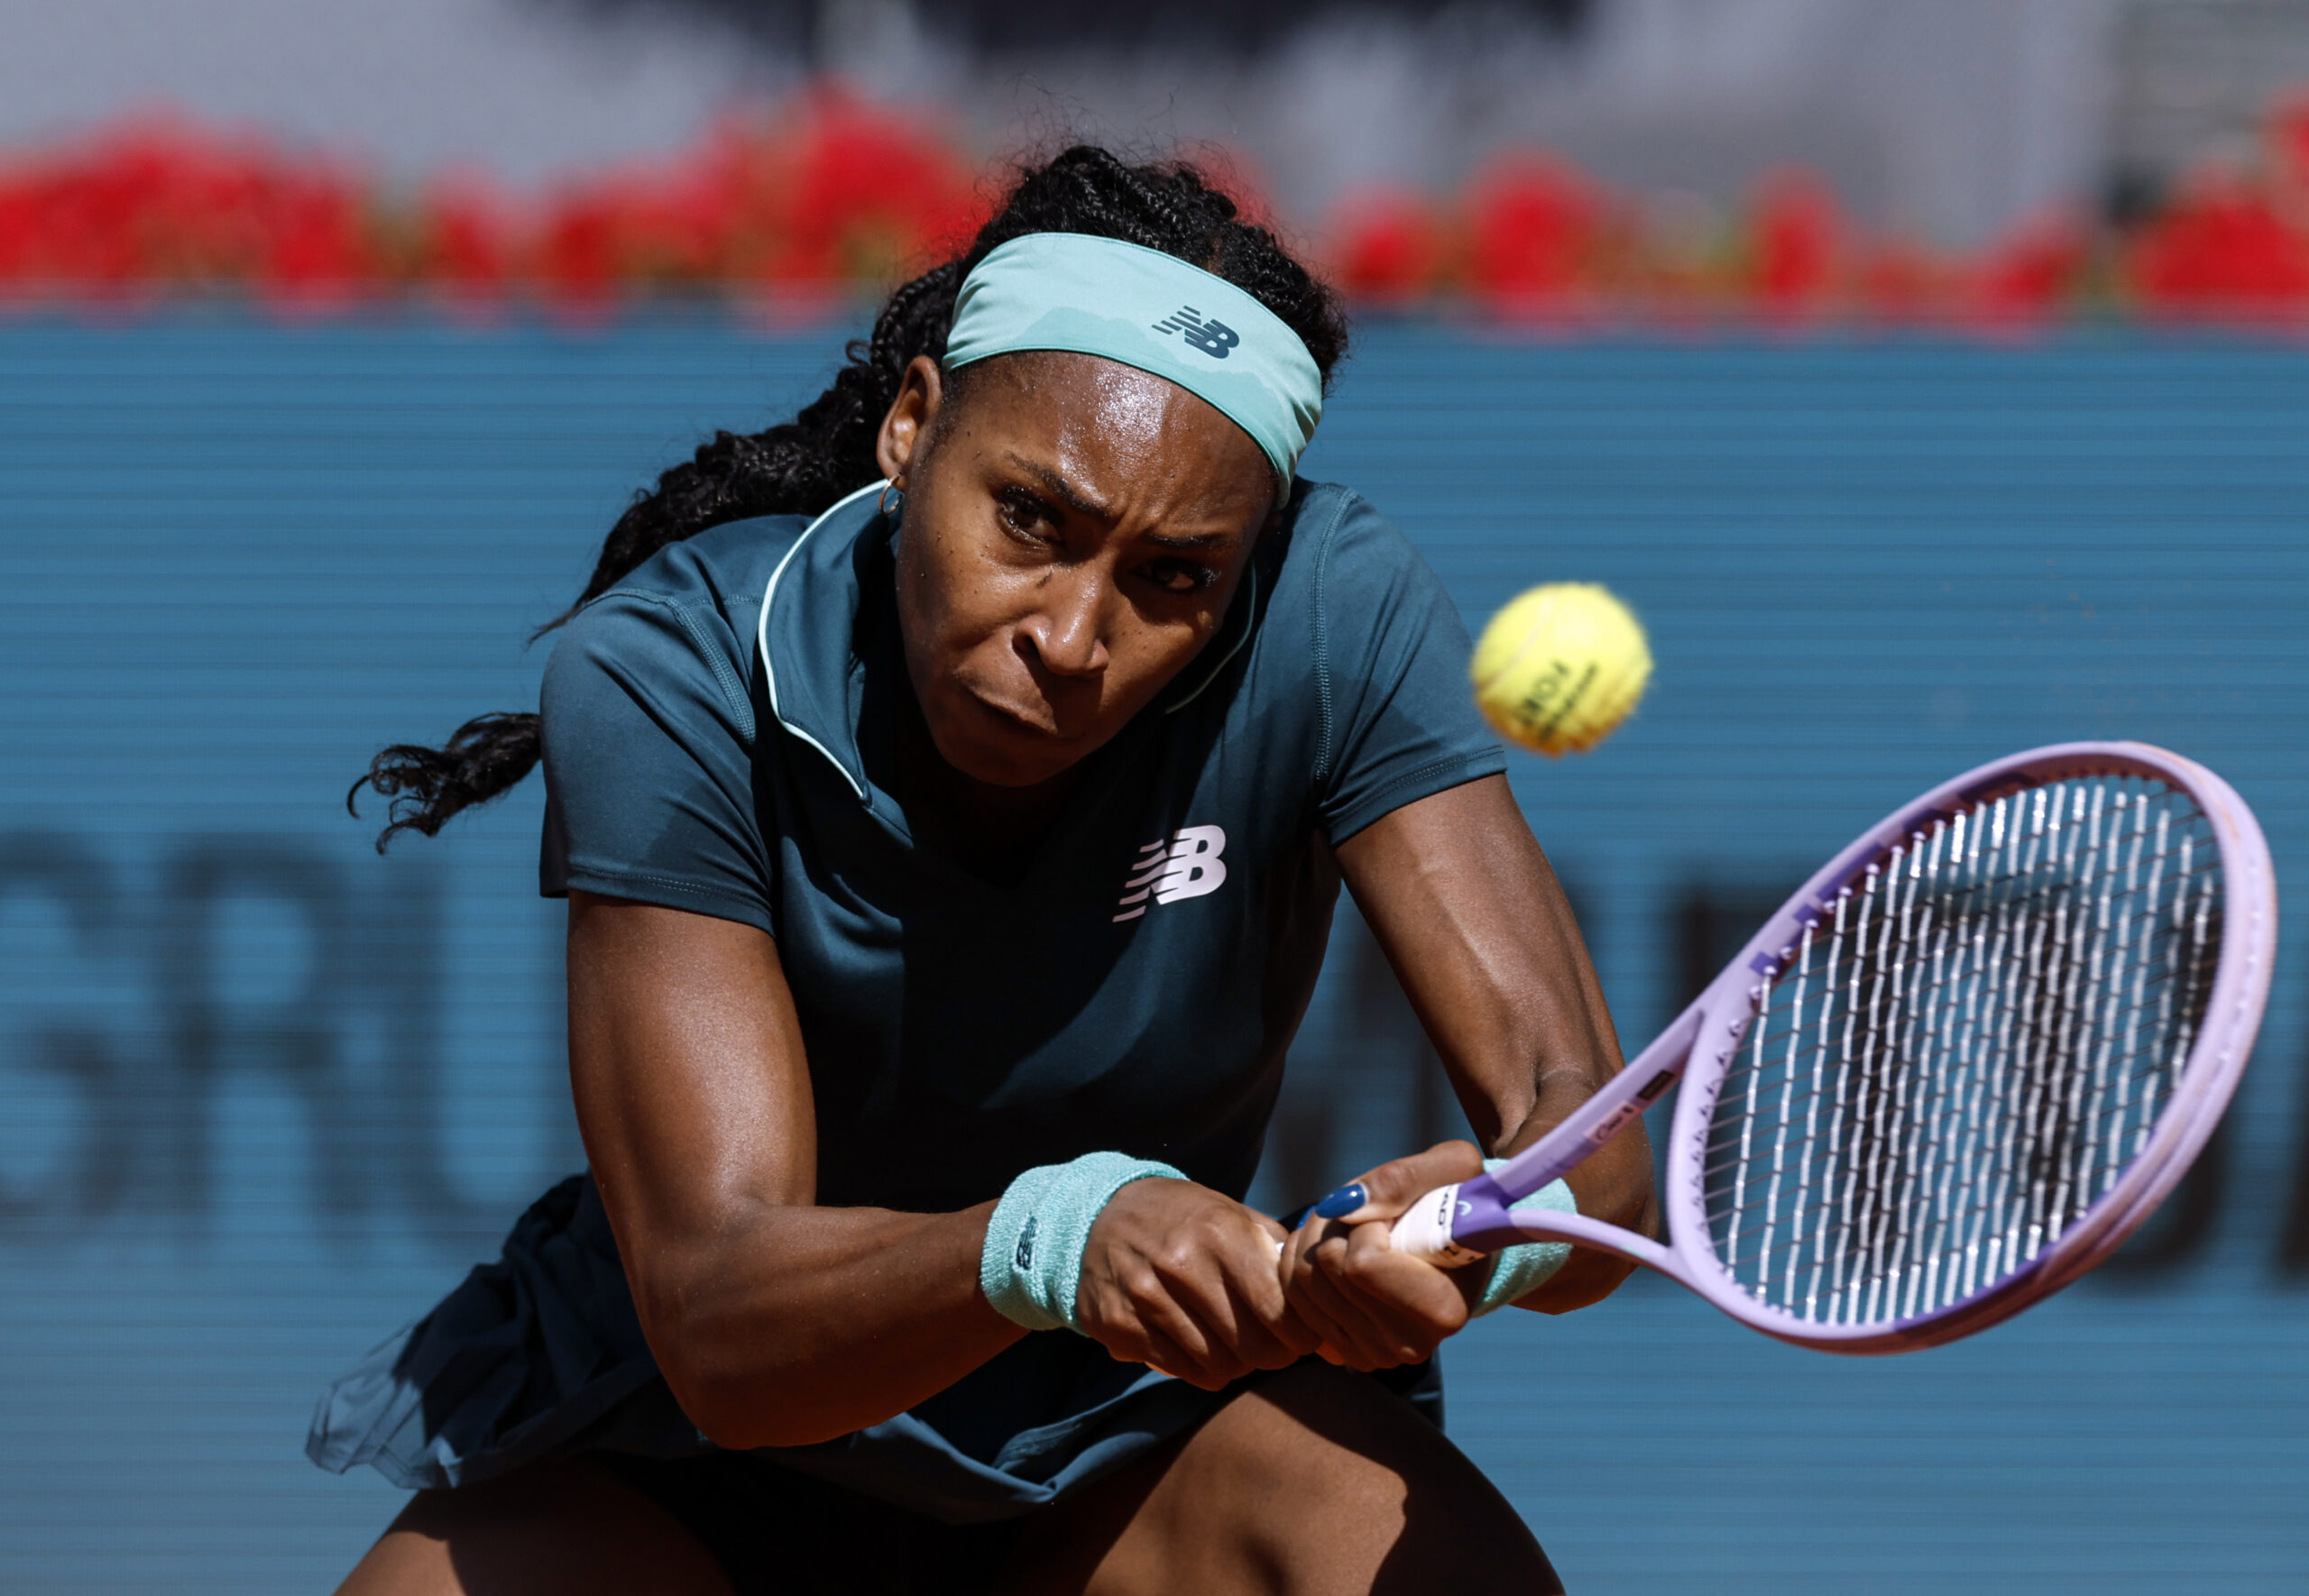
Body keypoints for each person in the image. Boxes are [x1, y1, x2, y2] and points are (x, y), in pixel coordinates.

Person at [312, 144, 1655, 1596]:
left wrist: (1479, 1234)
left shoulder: (1334, 609)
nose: (1072, 638)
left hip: (1131, 1447)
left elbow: (1593, 1156)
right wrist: (1056, 1237)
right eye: (1031, 519)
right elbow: (717, 1317)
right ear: (913, 425)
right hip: (693, 1465)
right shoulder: (673, 668)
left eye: (1175, 577)